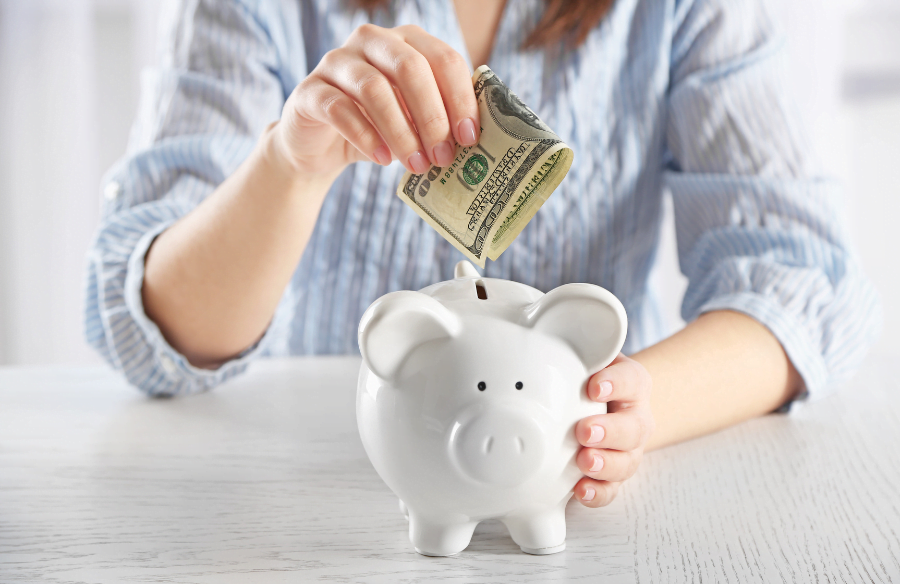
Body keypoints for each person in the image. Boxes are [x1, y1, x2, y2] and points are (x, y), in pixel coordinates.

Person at [84, 0, 880, 509]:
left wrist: (626, 412)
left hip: (570, 473)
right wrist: (289, 166)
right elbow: (152, 336)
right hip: (305, 492)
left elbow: (804, 286)